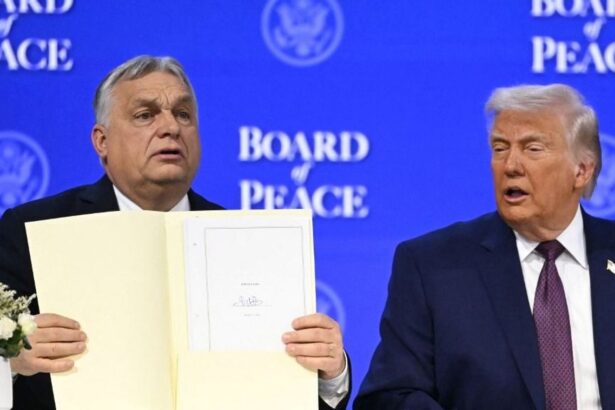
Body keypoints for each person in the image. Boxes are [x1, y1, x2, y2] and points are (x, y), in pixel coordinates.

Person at [0, 55, 350, 410]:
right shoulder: (31, 230)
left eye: (183, 114)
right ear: (102, 141)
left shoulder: (248, 242)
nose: (171, 127)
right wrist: (12, 360)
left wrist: (329, 374)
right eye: (145, 115)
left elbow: (281, 392)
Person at [355, 84, 615, 409]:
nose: (511, 165)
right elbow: (389, 397)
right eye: (500, 148)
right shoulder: (432, 266)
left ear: (582, 170)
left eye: (533, 148)